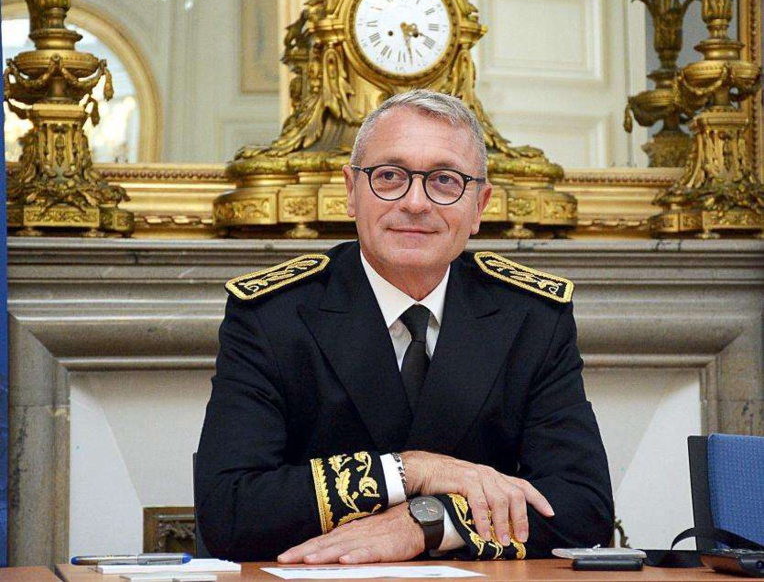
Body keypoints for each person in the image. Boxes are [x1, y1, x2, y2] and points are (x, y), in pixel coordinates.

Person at [195, 90, 614, 564]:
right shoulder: (273, 316)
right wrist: (410, 471)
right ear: (351, 192)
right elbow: (229, 510)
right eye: (390, 176)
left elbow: (584, 507)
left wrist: (428, 522)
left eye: (445, 180)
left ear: (479, 205)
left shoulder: (531, 318)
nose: (415, 203)